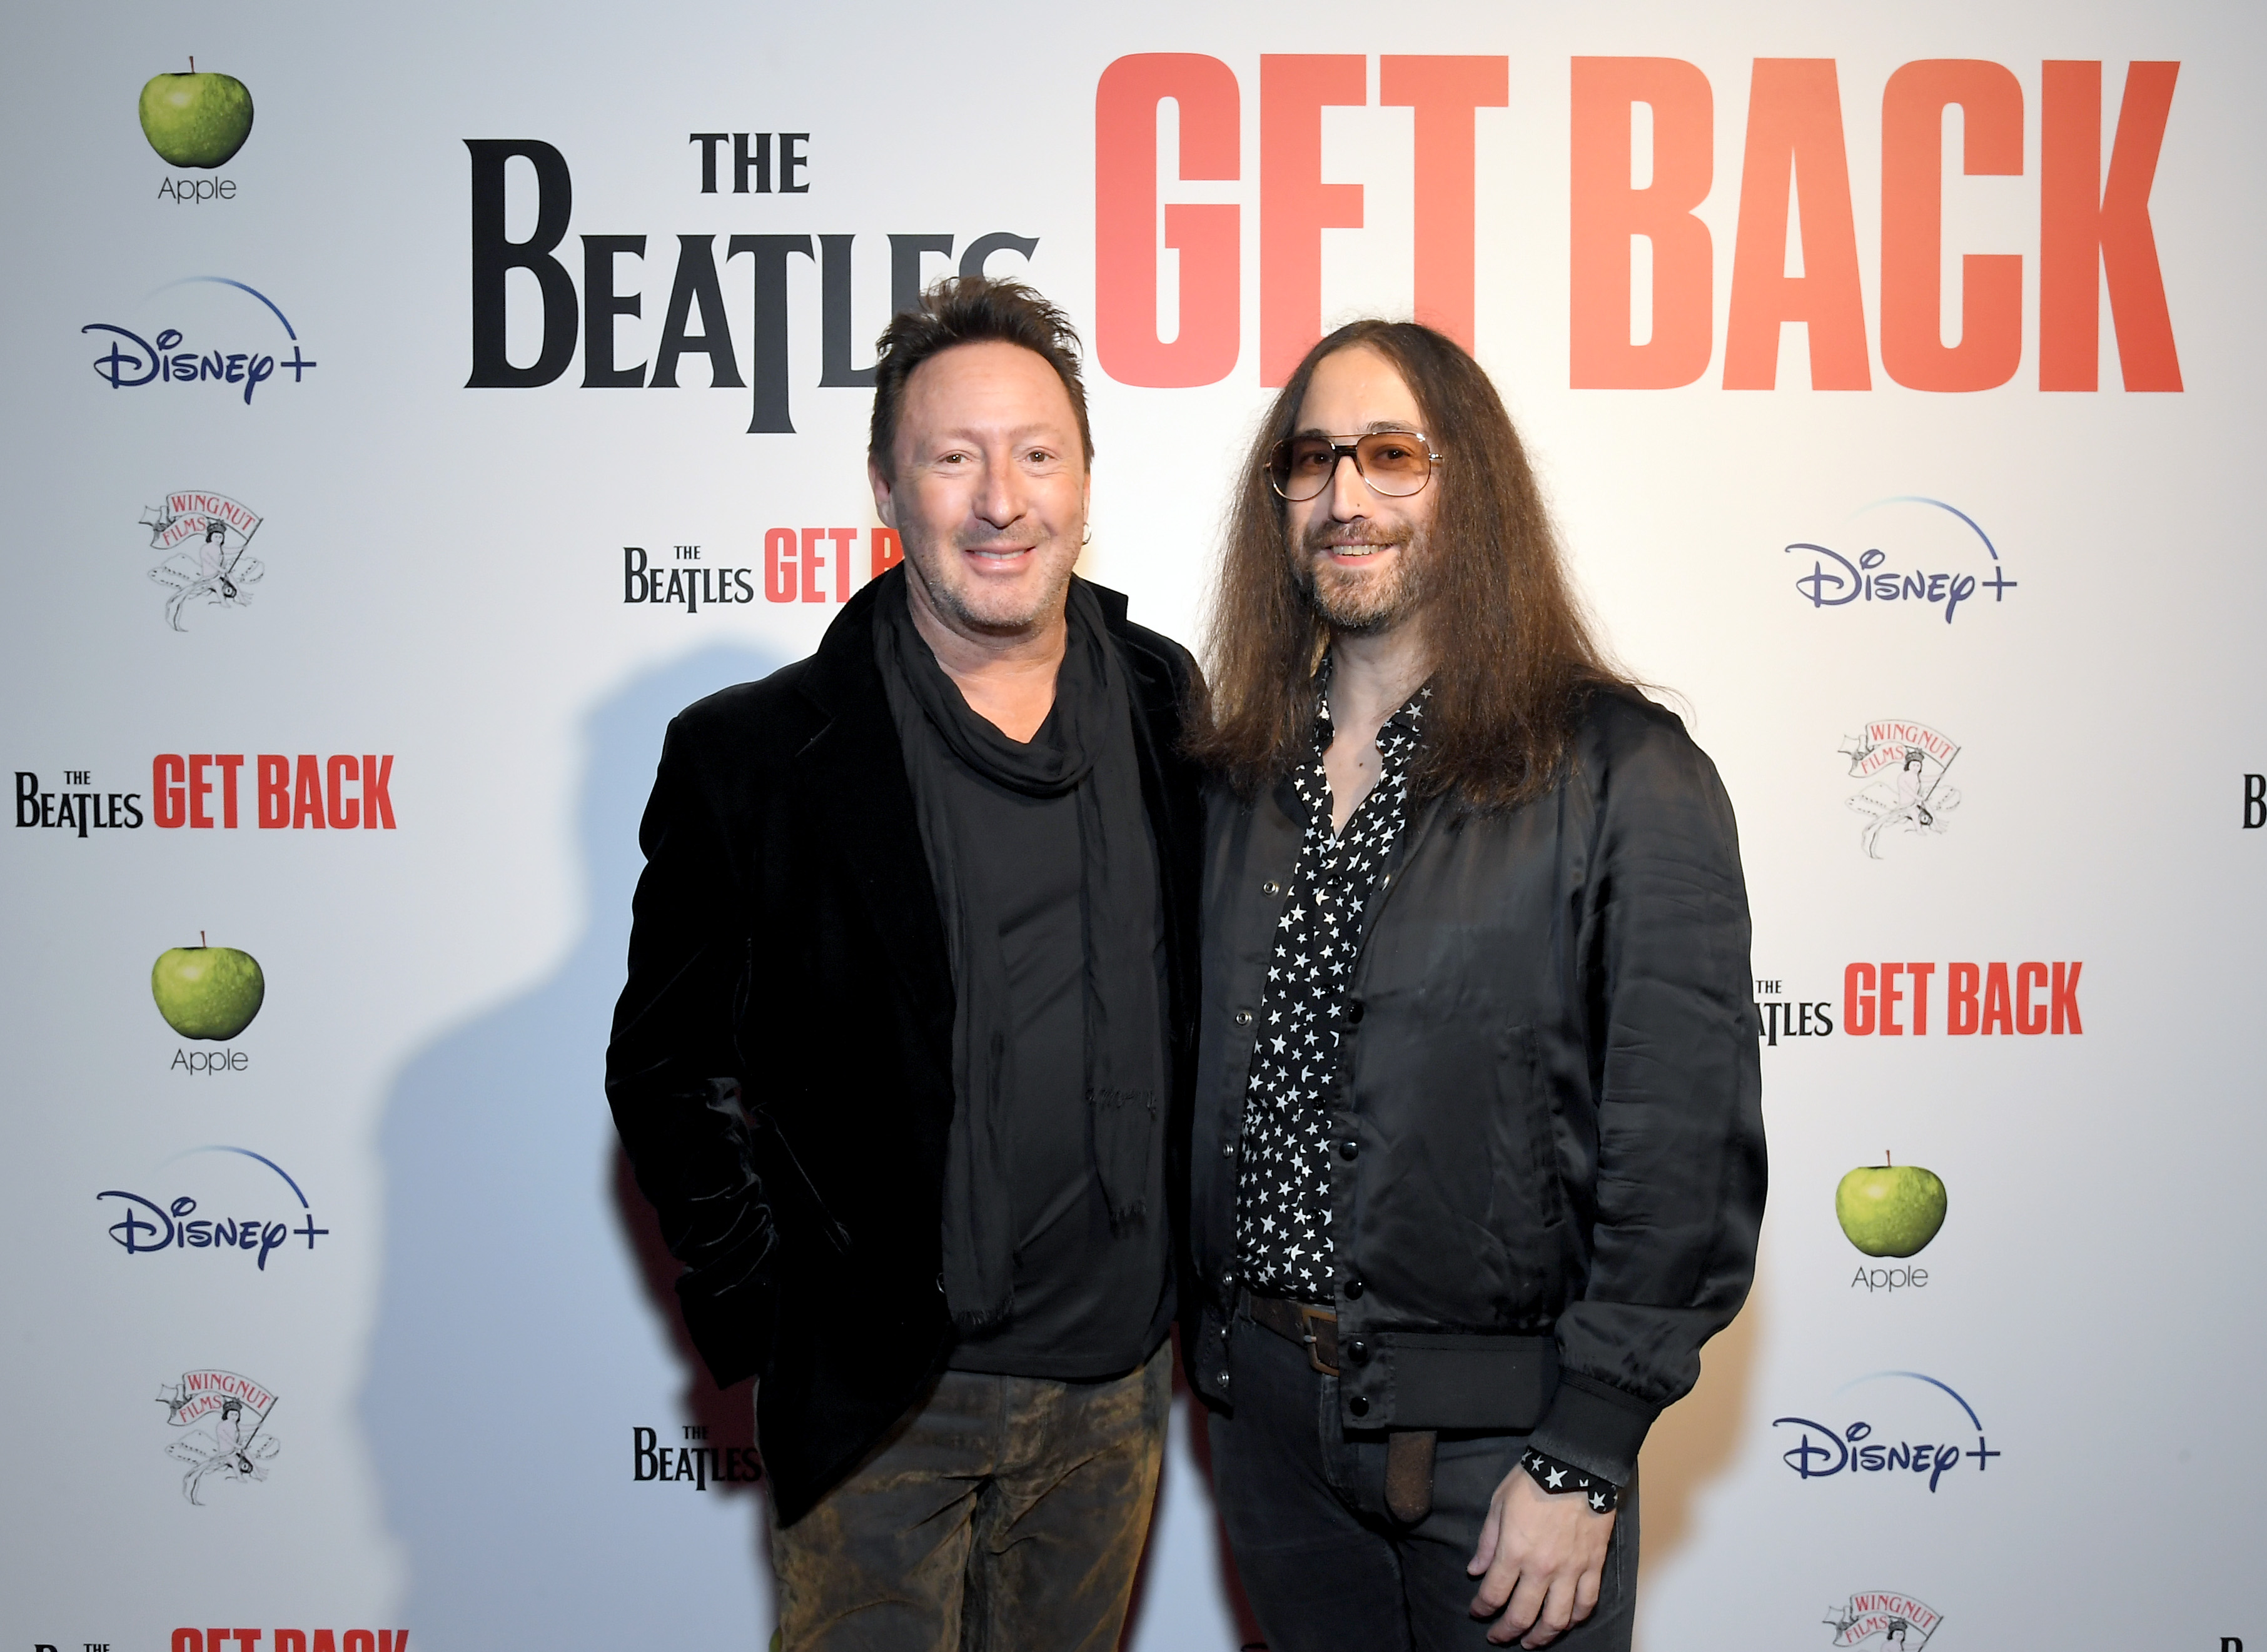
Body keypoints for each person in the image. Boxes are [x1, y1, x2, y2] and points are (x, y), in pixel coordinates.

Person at [605, 276, 1203, 1652]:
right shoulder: (753, 755)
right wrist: (772, 1312)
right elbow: (666, 1067)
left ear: (1084, 482)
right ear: (885, 488)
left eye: (1036, 454)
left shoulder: (1164, 699)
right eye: (952, 458)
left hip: (1114, 1387)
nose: (1001, 500)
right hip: (882, 1400)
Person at [1184, 320, 1764, 1651]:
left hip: (1509, 1450)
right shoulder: (1233, 777)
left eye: (1391, 455)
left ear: (1472, 483)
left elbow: (1682, 1145)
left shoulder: (1622, 770)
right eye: (1312, 458)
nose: (1345, 495)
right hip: (1269, 1436)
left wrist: (1586, 1449)